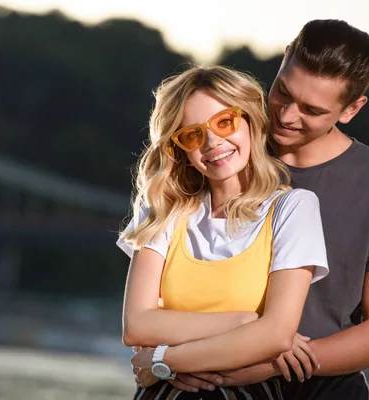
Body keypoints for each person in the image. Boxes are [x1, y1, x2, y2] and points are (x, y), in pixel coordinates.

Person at [133, 19, 369, 399]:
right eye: (283, 92)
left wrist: (265, 362)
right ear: (285, 58)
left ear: (351, 108)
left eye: (311, 110)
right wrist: (159, 355)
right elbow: (165, 279)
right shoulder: (222, 149)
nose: (287, 115)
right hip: (200, 378)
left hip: (318, 388)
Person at [117, 65, 330, 399]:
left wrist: (163, 360)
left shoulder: (293, 209)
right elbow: (137, 326)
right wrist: (244, 323)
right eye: (192, 134)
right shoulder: (163, 210)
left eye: (224, 122)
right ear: (181, 150)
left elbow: (275, 335)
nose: (212, 141)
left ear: (250, 122)